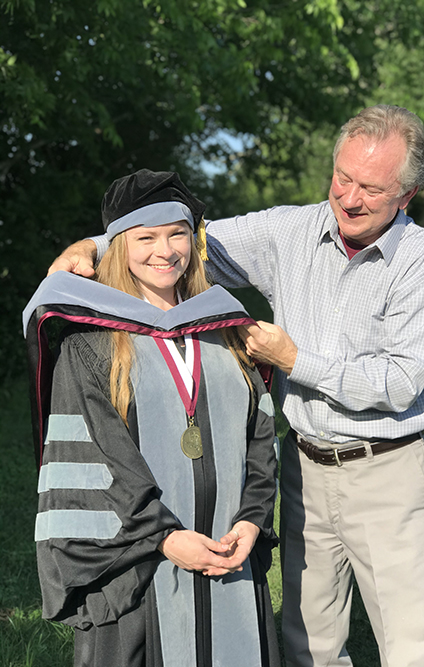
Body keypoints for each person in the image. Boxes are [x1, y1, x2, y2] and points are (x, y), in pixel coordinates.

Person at [47, 105, 424, 667]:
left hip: (384, 468)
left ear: (406, 197)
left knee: (413, 645)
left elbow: (402, 382)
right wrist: (91, 247)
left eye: (371, 188)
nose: (349, 197)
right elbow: (173, 236)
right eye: (343, 178)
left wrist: (293, 358)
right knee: (308, 639)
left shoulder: (423, 263)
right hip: (305, 467)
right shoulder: (289, 230)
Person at [23, 170, 280, 667]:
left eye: (176, 234)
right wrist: (163, 536)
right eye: (146, 237)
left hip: (230, 555)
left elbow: (260, 434)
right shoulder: (90, 344)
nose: (165, 251)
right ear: (117, 246)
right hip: (139, 571)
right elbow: (99, 456)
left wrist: (251, 520)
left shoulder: (224, 328)